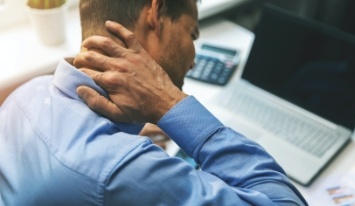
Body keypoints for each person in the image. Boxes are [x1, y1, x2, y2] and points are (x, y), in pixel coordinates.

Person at [0, 0, 308, 205]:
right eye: (192, 33)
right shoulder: (122, 168)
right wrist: (171, 104)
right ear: (156, 15)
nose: (194, 58)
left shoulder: (23, 96)